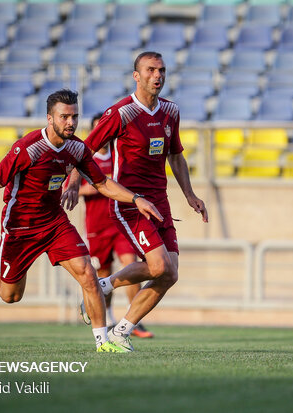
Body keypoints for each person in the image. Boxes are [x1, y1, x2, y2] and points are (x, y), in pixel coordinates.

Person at [0, 89, 162, 353]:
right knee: (10, 295)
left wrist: (135, 199)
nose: (71, 122)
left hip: (54, 223)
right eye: (64, 117)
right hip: (21, 226)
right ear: (49, 118)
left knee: (88, 272)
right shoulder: (27, 148)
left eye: (74, 116)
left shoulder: (77, 148)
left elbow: (102, 183)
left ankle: (103, 342)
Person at [63, 51, 208, 353]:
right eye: (151, 70)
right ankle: (101, 289)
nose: (158, 76)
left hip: (159, 201)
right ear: (137, 76)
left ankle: (120, 327)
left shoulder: (171, 111)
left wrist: (190, 195)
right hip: (129, 201)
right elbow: (84, 149)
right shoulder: (121, 113)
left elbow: (176, 155)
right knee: (158, 265)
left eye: (162, 70)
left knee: (170, 273)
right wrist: (74, 181)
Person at [77, 113, 154, 338]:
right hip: (97, 225)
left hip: (121, 221)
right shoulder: (85, 160)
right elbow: (70, 187)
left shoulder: (121, 155)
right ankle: (108, 317)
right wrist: (88, 189)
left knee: (131, 262)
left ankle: (134, 320)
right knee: (103, 272)